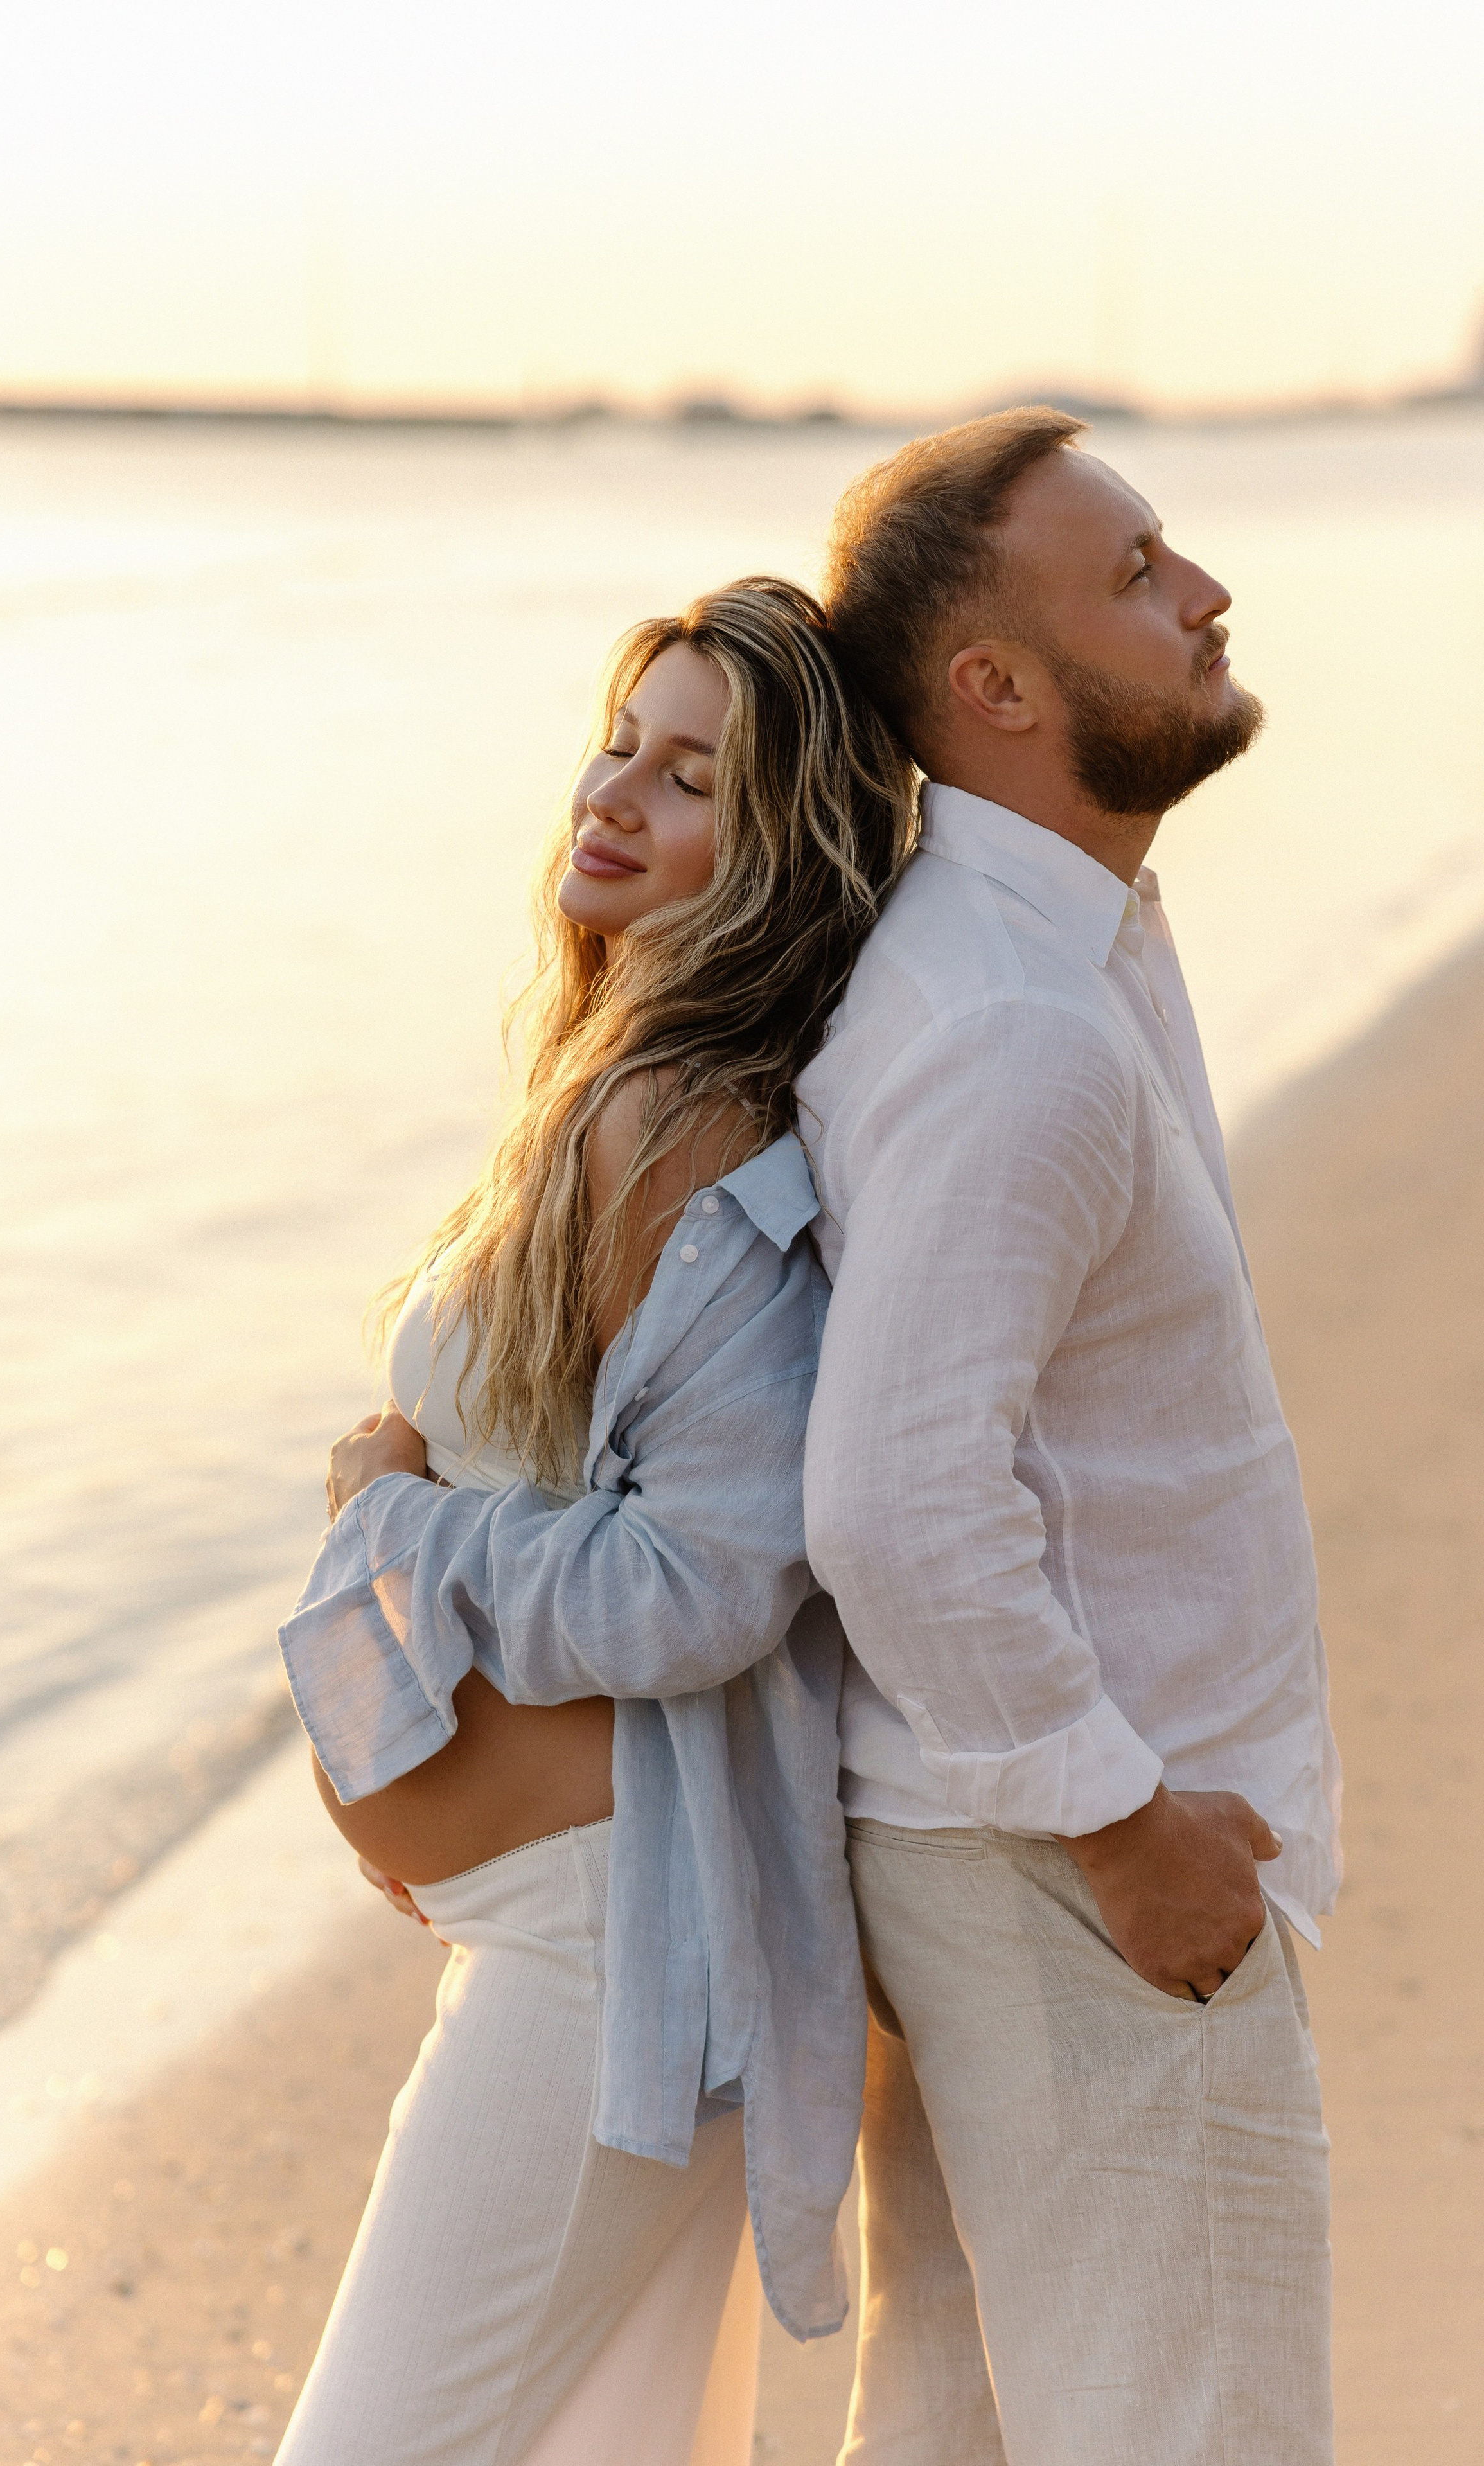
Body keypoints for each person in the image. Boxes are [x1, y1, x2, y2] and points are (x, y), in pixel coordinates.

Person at [272, 577, 917, 2466]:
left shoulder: (691, 1132)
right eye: (619, 744)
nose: (616, 795)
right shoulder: (603, 1091)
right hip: (563, 1941)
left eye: (693, 777)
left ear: (780, 850)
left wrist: (390, 1524)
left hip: (606, 1961)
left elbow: (697, 1587)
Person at [798, 408, 1340, 2465]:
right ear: (994, 690)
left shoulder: (1056, 939)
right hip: (1073, 1869)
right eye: (1133, 574)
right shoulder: (1011, 1020)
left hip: (1003, 1849)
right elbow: (896, 1496)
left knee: (963, 2430)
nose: (1204, 594)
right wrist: (1132, 1833)